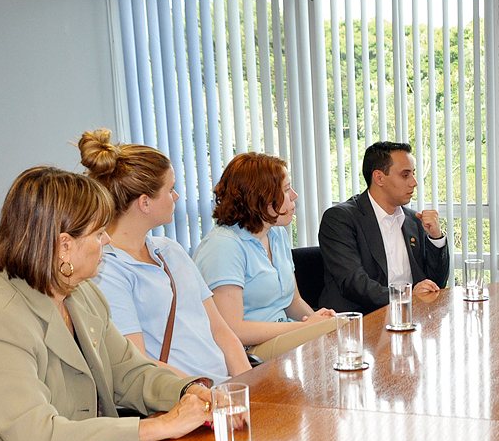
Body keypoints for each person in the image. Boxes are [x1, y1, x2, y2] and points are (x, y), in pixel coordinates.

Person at [0, 168, 213, 441]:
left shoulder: (82, 295)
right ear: (64, 246)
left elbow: (130, 372)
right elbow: (36, 436)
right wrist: (161, 427)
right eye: (100, 232)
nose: (106, 242)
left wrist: (189, 391)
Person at [79, 129, 250, 382]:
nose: (177, 197)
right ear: (145, 203)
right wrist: (207, 393)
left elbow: (220, 329)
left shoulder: (171, 250)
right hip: (184, 399)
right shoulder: (107, 270)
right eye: (170, 190)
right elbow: (140, 364)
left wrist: (248, 386)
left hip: (224, 389)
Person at [193, 152, 337, 360]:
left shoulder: (276, 233)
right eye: (286, 190)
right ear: (261, 199)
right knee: (339, 332)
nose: (294, 195)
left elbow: (292, 301)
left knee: (341, 327)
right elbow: (233, 329)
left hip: (281, 338)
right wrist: (305, 328)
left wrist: (315, 320)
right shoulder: (223, 246)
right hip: (248, 352)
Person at [319, 141, 451, 314]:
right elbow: (353, 283)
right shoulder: (340, 219)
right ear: (379, 178)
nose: (414, 182)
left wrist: (436, 238)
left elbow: (435, 285)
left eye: (413, 174)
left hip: (410, 318)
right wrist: (406, 296)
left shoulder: (413, 220)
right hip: (360, 322)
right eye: (405, 175)